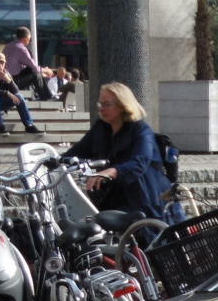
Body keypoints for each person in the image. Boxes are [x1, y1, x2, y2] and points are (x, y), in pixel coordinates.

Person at [64, 82, 172, 221]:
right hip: (111, 196)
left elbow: (140, 162)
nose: (101, 109)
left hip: (144, 197)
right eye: (100, 104)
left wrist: (110, 171)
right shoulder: (100, 128)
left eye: (106, 104)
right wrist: (51, 162)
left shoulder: (141, 130)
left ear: (123, 106)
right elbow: (75, 153)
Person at [3, 27, 53, 100]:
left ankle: (33, 98)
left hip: (6, 79)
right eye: (29, 38)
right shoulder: (21, 48)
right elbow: (34, 67)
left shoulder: (8, 46)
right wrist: (46, 70)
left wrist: (41, 72)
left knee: (33, 73)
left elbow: (25, 68)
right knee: (36, 75)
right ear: (26, 37)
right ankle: (47, 98)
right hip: (13, 80)